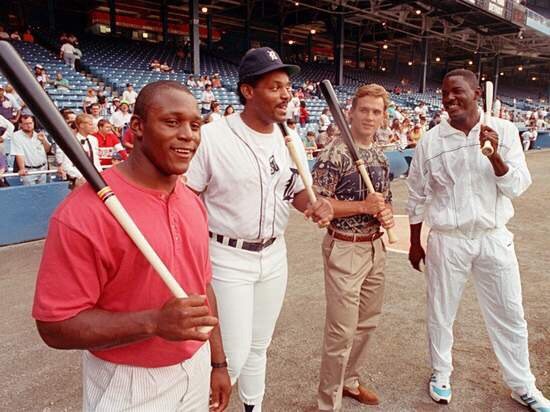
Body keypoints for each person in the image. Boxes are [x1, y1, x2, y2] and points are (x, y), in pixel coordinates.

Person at [32, 81, 232, 411]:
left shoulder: (191, 202)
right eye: (171, 122)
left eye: (195, 125)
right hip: (128, 382)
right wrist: (154, 322)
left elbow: (202, 289)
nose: (188, 135)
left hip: (195, 366)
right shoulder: (82, 213)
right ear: (137, 127)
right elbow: (54, 327)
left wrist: (217, 362)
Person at [185, 47, 333, 412]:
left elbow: (295, 192)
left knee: (258, 345)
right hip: (226, 254)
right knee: (230, 355)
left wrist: (315, 204)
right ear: (248, 91)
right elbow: (186, 197)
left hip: (273, 253)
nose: (287, 94)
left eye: (288, 86)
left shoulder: (290, 138)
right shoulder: (213, 136)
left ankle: (254, 407)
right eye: (275, 86)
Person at [407, 69, 550, 410]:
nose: (449, 99)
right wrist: (415, 241)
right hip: (448, 238)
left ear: (476, 93)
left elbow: (517, 187)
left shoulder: (503, 131)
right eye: (444, 94)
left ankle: (522, 385)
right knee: (441, 313)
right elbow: (416, 195)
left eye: (457, 92)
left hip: (492, 236)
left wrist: (495, 156)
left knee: (510, 312)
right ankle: (440, 373)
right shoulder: (431, 141)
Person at [312, 84, 395, 411]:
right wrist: (363, 206)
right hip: (345, 248)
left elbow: (383, 198)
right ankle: (327, 403)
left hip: (375, 248)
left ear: (383, 116)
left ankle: (350, 381)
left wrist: (384, 210)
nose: (370, 117)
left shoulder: (377, 151)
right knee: (341, 332)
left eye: (377, 112)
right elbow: (318, 206)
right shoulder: (336, 152)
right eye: (365, 110)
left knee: (367, 324)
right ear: (352, 111)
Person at [11, 115, 51, 185]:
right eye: (26, 124)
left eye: (30, 123)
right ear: (21, 124)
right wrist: (22, 168)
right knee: (30, 193)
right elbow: (19, 154)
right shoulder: (16, 136)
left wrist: (43, 140)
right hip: (29, 171)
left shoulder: (39, 133)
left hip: (43, 169)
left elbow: (47, 150)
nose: (29, 126)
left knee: (43, 192)